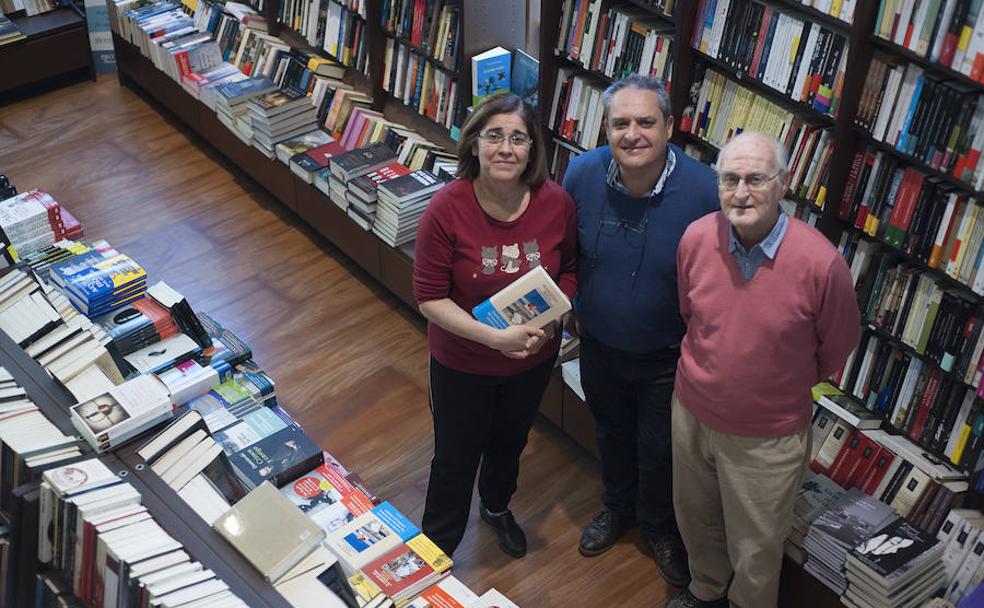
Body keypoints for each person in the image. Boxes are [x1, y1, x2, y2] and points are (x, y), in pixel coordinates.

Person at [670, 131, 861, 608]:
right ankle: (705, 592)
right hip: (691, 412)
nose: (741, 193)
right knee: (697, 521)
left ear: (783, 184)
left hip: (767, 437)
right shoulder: (696, 238)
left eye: (756, 178)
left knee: (756, 550)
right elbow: (690, 315)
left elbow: (837, 347)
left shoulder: (821, 263)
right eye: (730, 179)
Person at [562, 73, 719, 586]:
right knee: (610, 432)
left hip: (667, 354)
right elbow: (566, 251)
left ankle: (660, 528)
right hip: (599, 343)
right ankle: (618, 508)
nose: (633, 134)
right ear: (605, 128)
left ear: (670, 126)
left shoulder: (704, 190)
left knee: (660, 448)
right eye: (620, 123)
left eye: (646, 122)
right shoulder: (582, 174)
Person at [412, 93, 577, 558]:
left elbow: (569, 269)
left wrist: (552, 318)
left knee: (511, 441)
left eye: (518, 138)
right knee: (454, 458)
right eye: (494, 136)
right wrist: (493, 338)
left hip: (531, 359)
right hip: (463, 362)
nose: (506, 148)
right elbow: (429, 296)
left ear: (532, 150)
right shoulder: (446, 208)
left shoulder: (556, 203)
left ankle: (496, 505)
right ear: (475, 144)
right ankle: (437, 550)